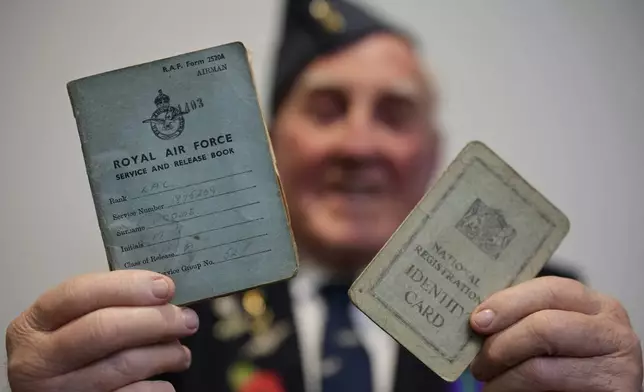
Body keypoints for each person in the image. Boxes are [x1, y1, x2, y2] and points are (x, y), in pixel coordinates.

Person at [6, 0, 642, 391]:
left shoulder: (541, 321)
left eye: (394, 113)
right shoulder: (154, 327)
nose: (359, 145)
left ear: (432, 150)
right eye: (327, 109)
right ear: (271, 143)